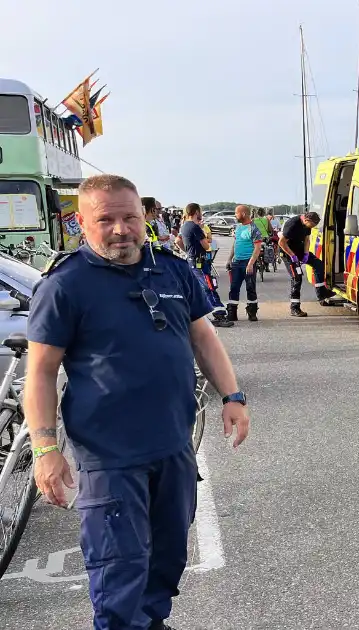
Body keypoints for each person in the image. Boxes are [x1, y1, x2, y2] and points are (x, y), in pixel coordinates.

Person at [24, 174, 250, 630]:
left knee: (167, 559)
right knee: (119, 569)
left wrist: (233, 396)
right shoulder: (64, 285)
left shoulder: (172, 269)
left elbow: (201, 334)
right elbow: (41, 372)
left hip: (173, 447)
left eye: (130, 217)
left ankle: (150, 623)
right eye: (105, 219)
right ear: (82, 223)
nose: (120, 229)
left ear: (144, 217)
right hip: (110, 458)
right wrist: (46, 450)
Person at [179, 203, 233, 328]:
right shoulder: (195, 227)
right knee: (209, 286)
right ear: (196, 212)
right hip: (200, 261)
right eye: (200, 211)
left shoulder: (184, 226)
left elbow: (178, 241)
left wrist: (188, 251)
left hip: (192, 260)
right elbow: (206, 245)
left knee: (202, 288)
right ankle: (219, 314)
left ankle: (203, 314)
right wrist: (202, 232)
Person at [278, 211, 331, 317]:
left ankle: (322, 294)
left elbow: (307, 239)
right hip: (288, 252)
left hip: (300, 249)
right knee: (297, 277)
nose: (313, 227)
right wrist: (293, 256)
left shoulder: (307, 225)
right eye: (313, 225)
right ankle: (294, 308)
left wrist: (306, 254)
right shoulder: (292, 225)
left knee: (318, 264)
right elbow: (281, 242)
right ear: (307, 220)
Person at [226, 205, 263, 322]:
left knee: (250, 287)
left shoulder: (253, 229)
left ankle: (252, 312)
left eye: (236, 213)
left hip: (248, 262)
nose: (235, 215)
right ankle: (232, 313)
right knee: (234, 288)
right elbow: (235, 244)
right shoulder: (238, 228)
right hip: (236, 262)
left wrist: (251, 263)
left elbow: (257, 248)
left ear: (243, 214)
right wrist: (229, 259)